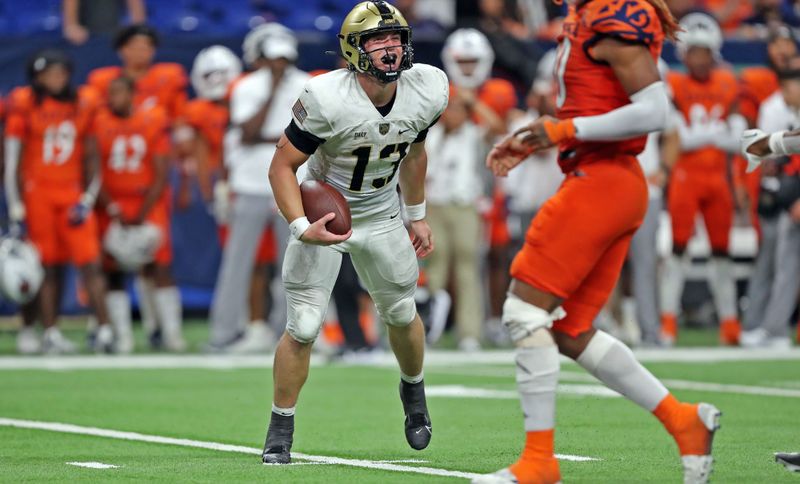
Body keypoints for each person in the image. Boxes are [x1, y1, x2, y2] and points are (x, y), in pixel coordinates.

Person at [472, 1, 721, 483]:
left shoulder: (613, 13)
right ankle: (684, 422)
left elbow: (653, 109)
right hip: (604, 178)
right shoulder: (589, 17)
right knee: (568, 329)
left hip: (604, 181)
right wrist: (540, 139)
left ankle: (538, 463)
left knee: (524, 313)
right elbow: (595, 101)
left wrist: (562, 130)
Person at [261, 1, 448, 464]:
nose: (390, 48)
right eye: (377, 40)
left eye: (395, 38)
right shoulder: (326, 96)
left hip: (383, 211)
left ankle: (413, 391)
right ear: (353, 49)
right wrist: (302, 226)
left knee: (402, 313)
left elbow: (415, 151)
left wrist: (417, 213)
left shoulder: (429, 86)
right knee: (303, 326)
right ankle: (280, 428)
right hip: (328, 213)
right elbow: (282, 166)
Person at [4, 49, 113, 353]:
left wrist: (88, 198)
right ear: (36, 78)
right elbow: (13, 160)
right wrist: (15, 203)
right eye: (48, 73)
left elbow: (93, 158)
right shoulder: (23, 105)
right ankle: (49, 332)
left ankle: (104, 330)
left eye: (60, 72)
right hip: (37, 193)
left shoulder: (83, 102)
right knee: (47, 267)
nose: (55, 78)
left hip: (71, 193)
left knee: (90, 263)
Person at [207, 24, 306, 353]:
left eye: (283, 59)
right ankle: (224, 333)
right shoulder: (247, 87)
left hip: (292, 182)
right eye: (273, 59)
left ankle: (290, 332)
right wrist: (274, 92)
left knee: (295, 264)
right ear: (261, 58)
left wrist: (276, 138)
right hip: (249, 182)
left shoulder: (307, 85)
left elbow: (310, 135)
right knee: (238, 262)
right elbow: (249, 132)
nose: (279, 65)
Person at [87, 24, 188, 344]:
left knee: (158, 264)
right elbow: (91, 166)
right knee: (112, 267)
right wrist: (109, 204)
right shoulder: (99, 117)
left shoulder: (155, 114)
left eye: (146, 45)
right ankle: (120, 334)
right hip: (112, 198)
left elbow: (167, 157)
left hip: (147, 196)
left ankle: (168, 333)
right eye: (134, 45)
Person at [660, 13, 746, 346]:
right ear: (684, 54)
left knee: (722, 253)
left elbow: (737, 137)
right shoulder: (676, 84)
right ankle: (668, 322)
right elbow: (680, 137)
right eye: (693, 51)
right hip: (686, 178)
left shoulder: (727, 83)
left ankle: (729, 324)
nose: (699, 58)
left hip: (717, 180)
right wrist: (715, 132)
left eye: (704, 51)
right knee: (679, 250)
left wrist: (706, 134)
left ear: (714, 52)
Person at [62, 0, 146, 45]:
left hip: (115, 34)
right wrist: (71, 25)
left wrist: (137, 30)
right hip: (86, 36)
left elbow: (137, 15)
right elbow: (71, 27)